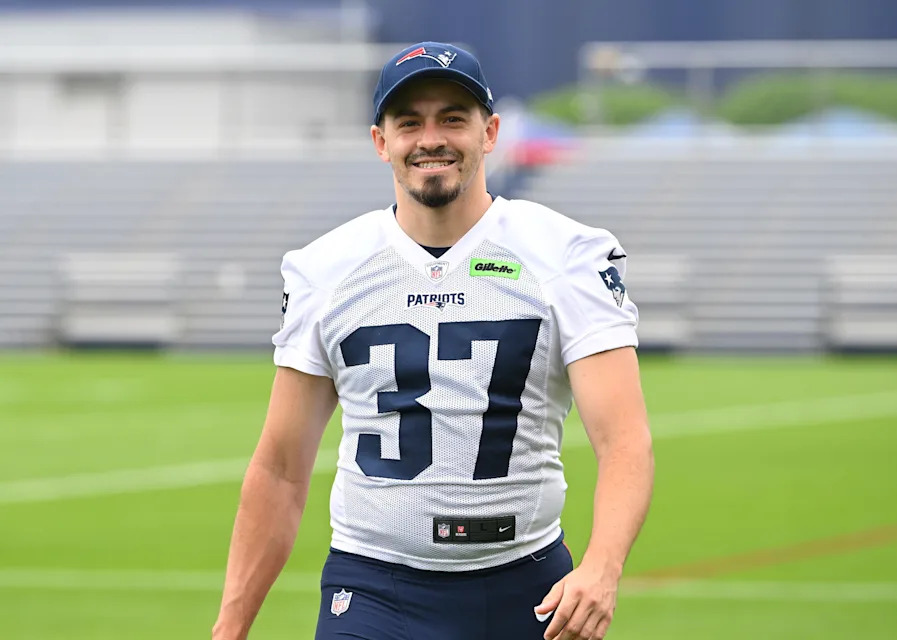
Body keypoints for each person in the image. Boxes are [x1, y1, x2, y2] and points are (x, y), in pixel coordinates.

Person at [213, 41, 654, 640]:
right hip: (372, 587)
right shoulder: (326, 268)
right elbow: (282, 468)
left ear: (489, 131)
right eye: (409, 122)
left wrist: (602, 568)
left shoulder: (564, 255)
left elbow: (623, 440)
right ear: (380, 141)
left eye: (453, 118)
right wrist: (230, 626)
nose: (431, 138)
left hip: (524, 584)